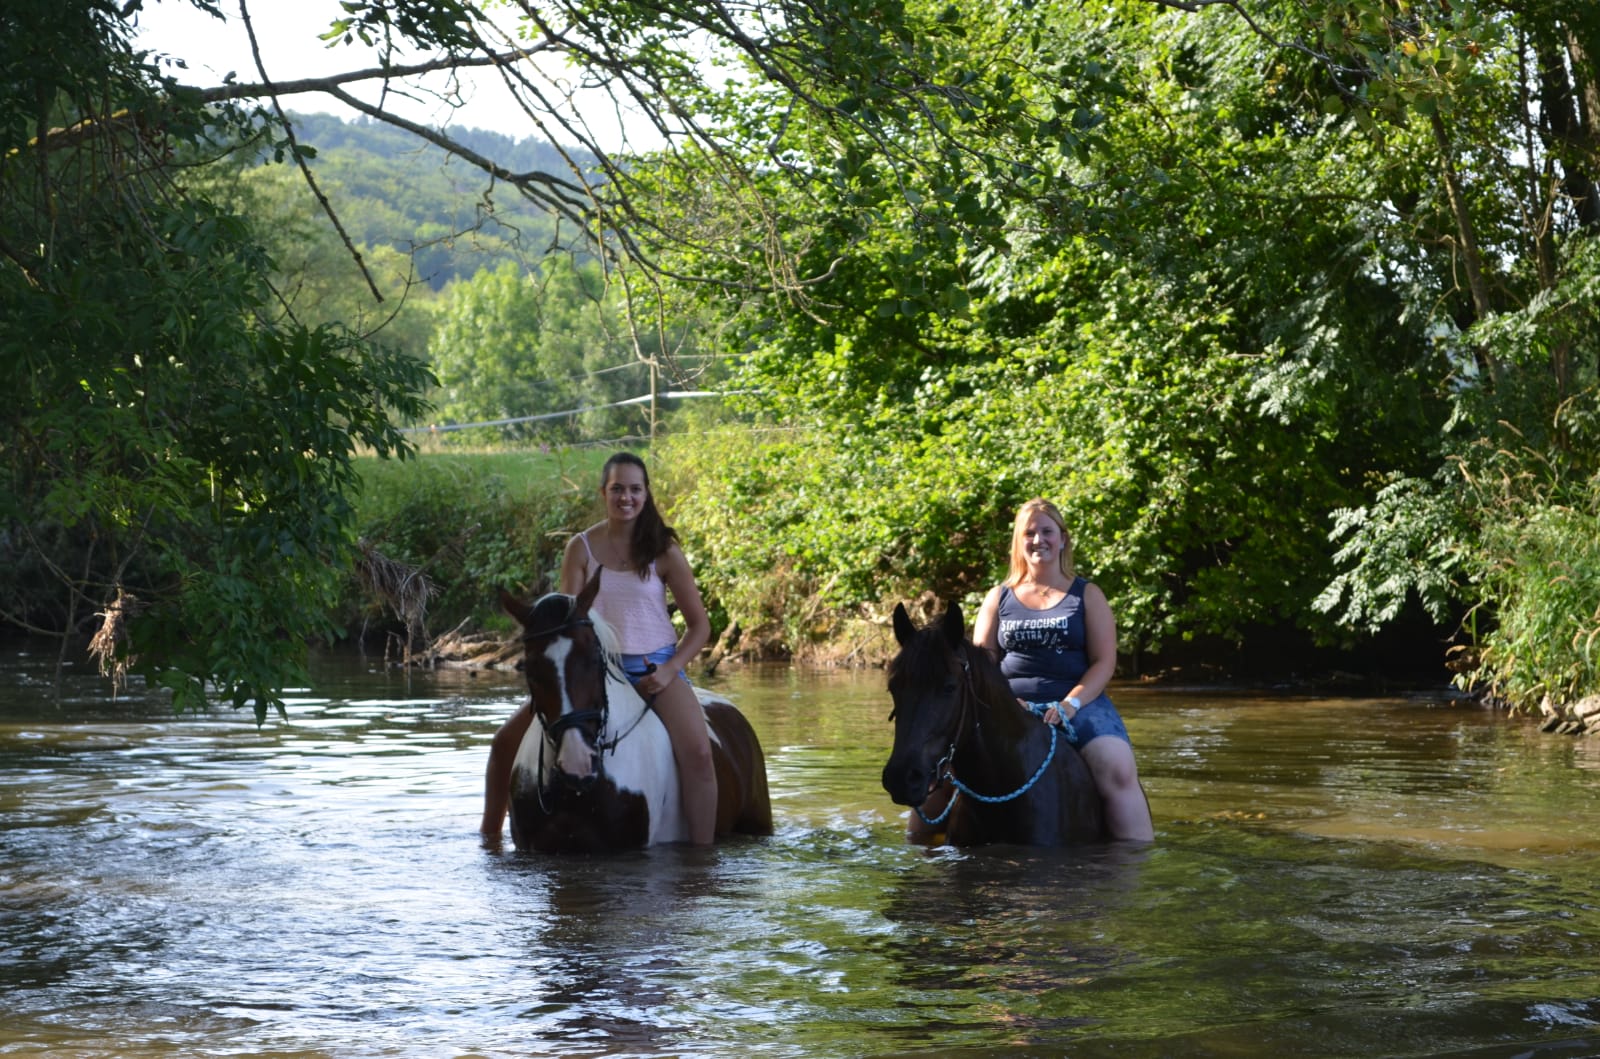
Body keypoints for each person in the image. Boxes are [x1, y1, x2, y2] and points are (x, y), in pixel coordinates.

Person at [480, 451, 716, 846]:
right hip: (588, 672)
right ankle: (489, 839)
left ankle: (702, 860)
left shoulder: (663, 551)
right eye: (617, 489)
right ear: (603, 493)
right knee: (505, 740)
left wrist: (670, 669)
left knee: (699, 754)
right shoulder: (581, 547)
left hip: (650, 669)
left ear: (646, 494)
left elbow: (700, 626)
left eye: (635, 489)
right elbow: (567, 622)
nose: (627, 497)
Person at [971, 498, 1154, 842]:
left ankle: (1135, 859)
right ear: (1018, 542)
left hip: (1080, 702)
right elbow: (984, 661)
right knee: (945, 763)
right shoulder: (998, 598)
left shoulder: (1088, 595)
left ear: (1063, 539)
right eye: (1029, 533)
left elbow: (1104, 662)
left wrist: (1070, 704)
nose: (1038, 539)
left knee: (1116, 767)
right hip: (1009, 704)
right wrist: (1007, 703)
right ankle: (921, 843)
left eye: (1047, 531)